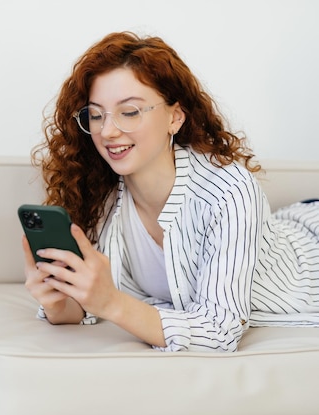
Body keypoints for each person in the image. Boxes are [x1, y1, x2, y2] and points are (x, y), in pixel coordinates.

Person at [22, 31, 319, 352]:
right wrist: (56, 302)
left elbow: (218, 332)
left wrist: (113, 303)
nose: (107, 131)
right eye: (96, 115)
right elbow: (85, 307)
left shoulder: (229, 190)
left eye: (130, 111)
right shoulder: (100, 194)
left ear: (175, 117)